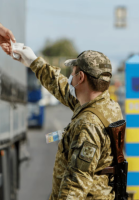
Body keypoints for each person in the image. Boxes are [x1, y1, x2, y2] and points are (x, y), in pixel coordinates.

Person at [13, 47, 123, 200]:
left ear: (81, 77)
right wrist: (33, 61)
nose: (70, 76)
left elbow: (76, 184)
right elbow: (61, 87)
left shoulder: (88, 124)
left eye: (73, 72)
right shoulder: (106, 107)